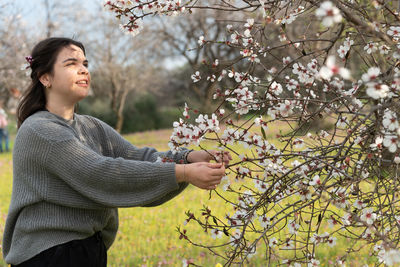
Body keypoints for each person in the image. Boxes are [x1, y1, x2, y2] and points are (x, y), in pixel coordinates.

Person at [2, 37, 232, 267]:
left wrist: (188, 157)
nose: (83, 70)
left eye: (85, 64)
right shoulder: (40, 130)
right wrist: (183, 172)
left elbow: (138, 157)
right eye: (71, 64)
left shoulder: (89, 126)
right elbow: (99, 173)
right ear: (45, 77)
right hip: (48, 255)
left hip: (85, 248)